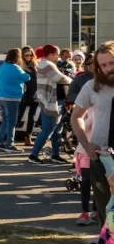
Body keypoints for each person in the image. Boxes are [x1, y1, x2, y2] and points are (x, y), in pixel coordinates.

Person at [72, 41, 114, 223]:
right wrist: (86, 145)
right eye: (103, 65)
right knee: (107, 213)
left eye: (112, 63)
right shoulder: (92, 86)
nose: (108, 68)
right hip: (101, 156)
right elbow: (75, 117)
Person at [29, 44, 74, 165]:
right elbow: (59, 78)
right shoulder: (47, 64)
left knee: (57, 130)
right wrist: (72, 79)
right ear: (50, 54)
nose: (58, 57)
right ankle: (33, 155)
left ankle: (55, 154)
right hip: (50, 101)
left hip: (54, 100)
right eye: (57, 54)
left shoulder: (46, 64)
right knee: (49, 129)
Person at [0, 48, 31, 152]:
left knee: (5, 120)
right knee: (11, 122)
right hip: (12, 98)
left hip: (1, 96)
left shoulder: (3, 66)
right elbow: (27, 78)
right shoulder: (16, 68)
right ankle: (10, 144)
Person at [16, 46, 40, 146]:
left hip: (34, 93)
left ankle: (28, 137)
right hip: (24, 94)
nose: (29, 57)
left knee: (32, 117)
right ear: (22, 55)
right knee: (18, 116)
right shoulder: (20, 66)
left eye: (30, 55)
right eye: (26, 55)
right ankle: (8, 138)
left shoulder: (35, 64)